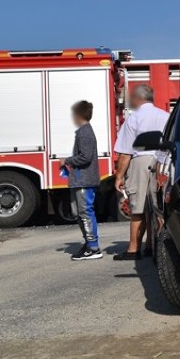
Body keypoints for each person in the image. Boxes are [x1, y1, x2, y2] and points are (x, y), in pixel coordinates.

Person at [113, 85, 169, 261]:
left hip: (141, 161)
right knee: (158, 207)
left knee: (138, 207)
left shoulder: (133, 119)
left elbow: (125, 152)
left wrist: (119, 176)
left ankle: (133, 248)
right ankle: (155, 247)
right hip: (163, 161)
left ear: (137, 99)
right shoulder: (166, 117)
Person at [64, 101, 102, 261]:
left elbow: (85, 157)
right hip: (80, 180)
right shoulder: (83, 131)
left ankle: (93, 247)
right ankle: (89, 243)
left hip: (84, 180)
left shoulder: (84, 132)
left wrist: (67, 160)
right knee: (79, 213)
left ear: (78, 115)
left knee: (85, 211)